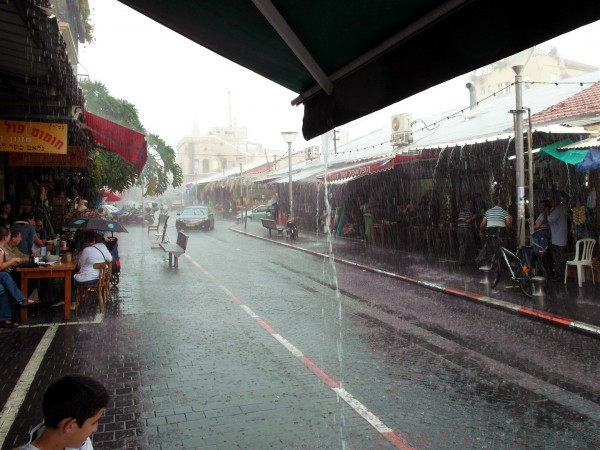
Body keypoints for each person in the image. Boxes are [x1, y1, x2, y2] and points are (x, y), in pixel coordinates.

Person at [19, 374, 109, 450]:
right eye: (94, 422)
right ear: (69, 425)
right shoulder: (77, 439)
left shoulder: (78, 440)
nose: (95, 429)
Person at [547, 193, 568, 280]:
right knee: (560, 257)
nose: (551, 202)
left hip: (558, 239)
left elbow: (550, 219)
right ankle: (561, 275)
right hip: (560, 237)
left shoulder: (558, 209)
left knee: (558, 258)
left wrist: (547, 212)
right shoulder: (561, 208)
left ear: (556, 201)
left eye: (552, 201)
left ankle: (560, 275)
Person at [457, 200, 477, 265]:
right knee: (465, 245)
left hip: (459, 229)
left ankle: (461, 260)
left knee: (462, 245)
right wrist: (473, 217)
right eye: (471, 205)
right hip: (464, 230)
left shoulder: (461, 211)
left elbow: (461, 220)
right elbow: (467, 221)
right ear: (468, 205)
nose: (471, 207)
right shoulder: (467, 211)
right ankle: (463, 261)